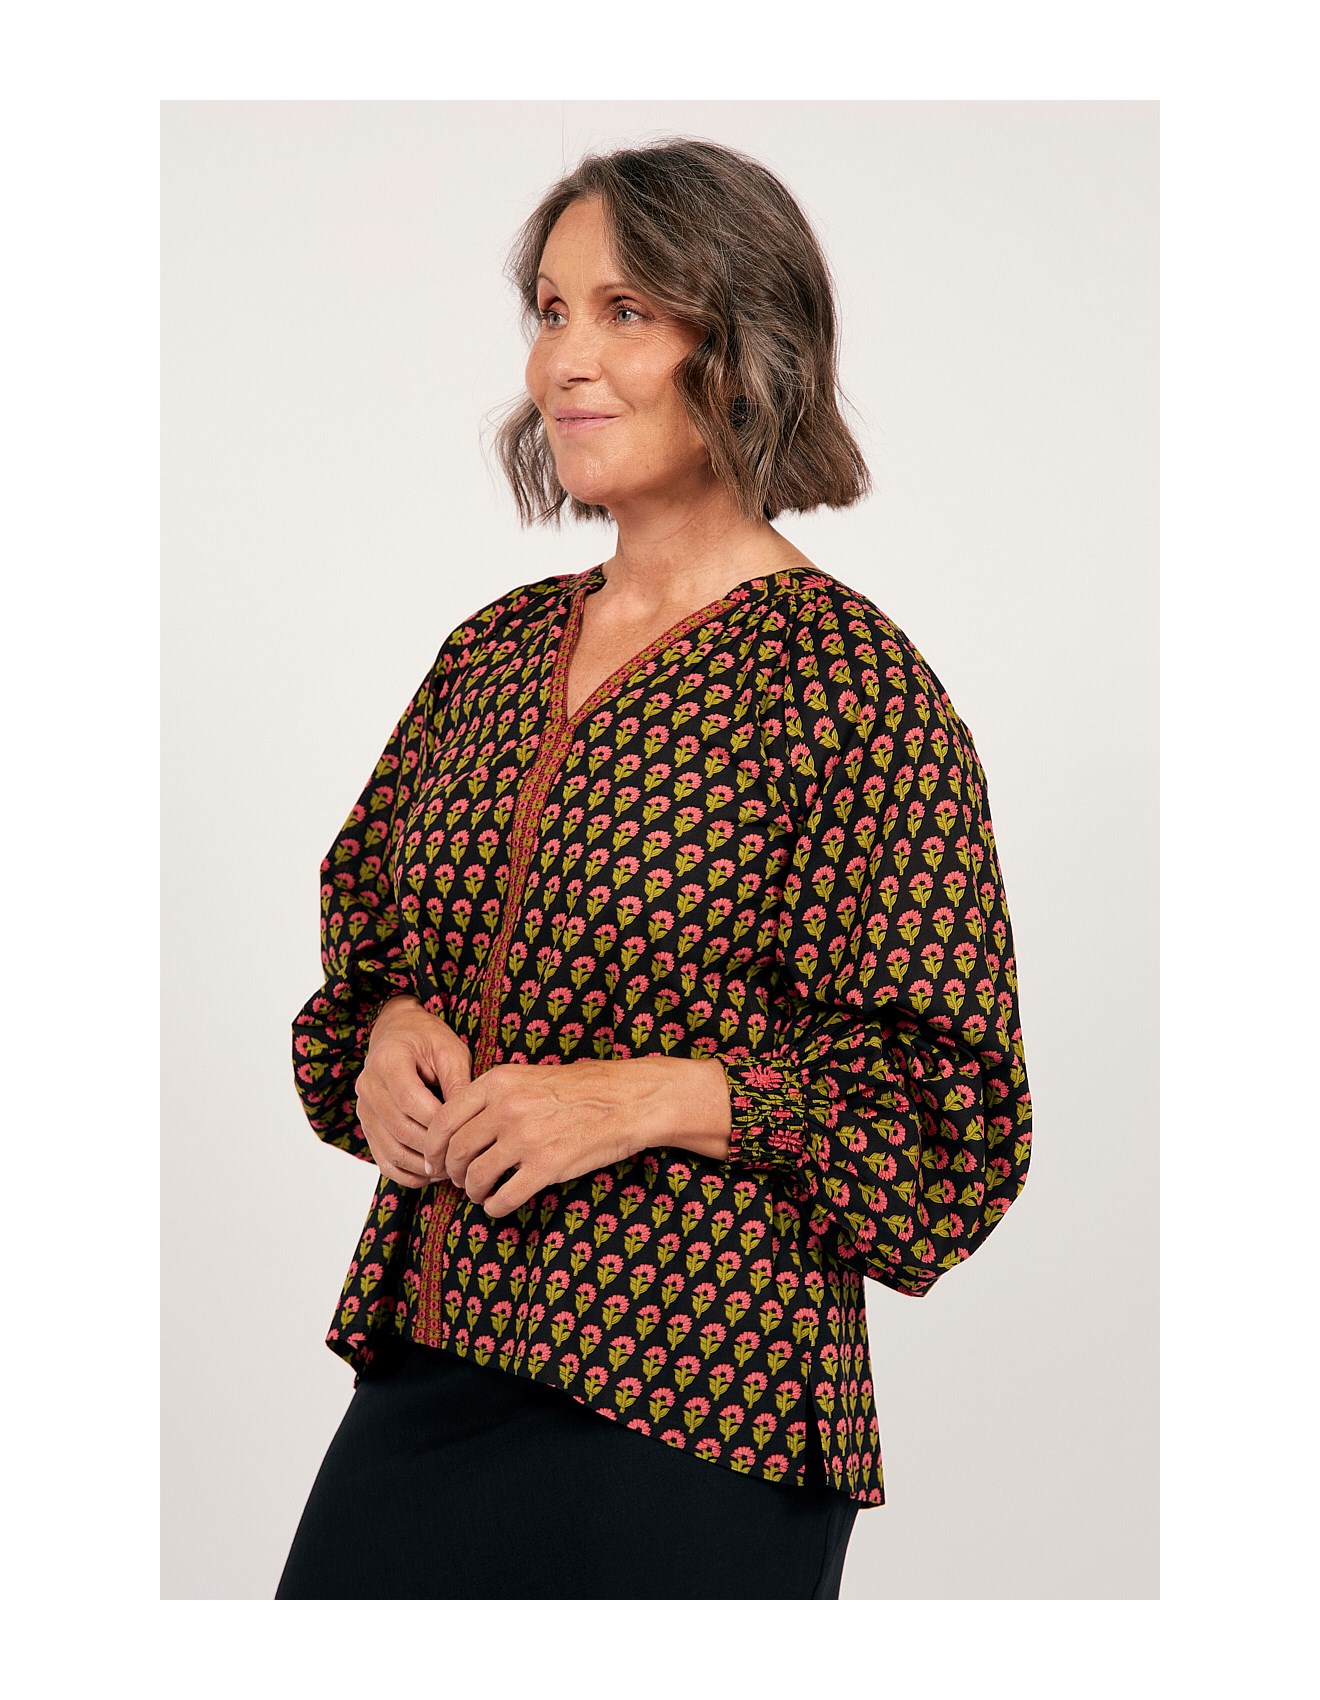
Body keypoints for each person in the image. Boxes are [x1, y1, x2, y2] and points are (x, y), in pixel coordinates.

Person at [275, 138, 1033, 1601]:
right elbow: (366, 945)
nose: (566, 358)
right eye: (551, 311)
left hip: (701, 1403)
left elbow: (952, 1121)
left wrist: (644, 1099)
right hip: (433, 1355)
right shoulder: (493, 654)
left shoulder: (848, 688)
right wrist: (381, 1037)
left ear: (744, 347)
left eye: (626, 312)